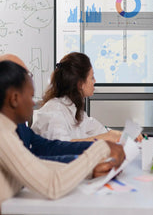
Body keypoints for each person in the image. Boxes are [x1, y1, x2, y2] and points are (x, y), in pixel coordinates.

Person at [0, 60, 125, 206]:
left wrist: (91, 169)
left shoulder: (10, 129)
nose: (34, 103)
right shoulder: (3, 135)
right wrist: (101, 148)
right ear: (14, 98)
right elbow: (52, 186)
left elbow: (36, 164)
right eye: (30, 96)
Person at [0, 54, 94, 164]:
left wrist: (97, 146)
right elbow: (33, 166)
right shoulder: (4, 135)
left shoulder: (18, 125)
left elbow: (48, 147)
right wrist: (90, 161)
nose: (34, 102)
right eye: (24, 77)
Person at [32, 52, 143, 143]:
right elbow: (62, 147)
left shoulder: (74, 110)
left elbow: (100, 131)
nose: (94, 81)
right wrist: (106, 137)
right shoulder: (54, 112)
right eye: (92, 77)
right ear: (80, 83)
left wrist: (126, 136)